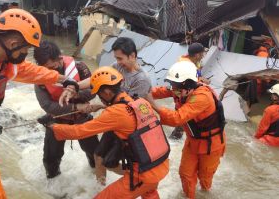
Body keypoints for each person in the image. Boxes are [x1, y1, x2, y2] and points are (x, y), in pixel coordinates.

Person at [0, 9, 67, 198]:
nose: (27, 53)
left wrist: (61, 78)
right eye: (26, 48)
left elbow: (29, 71)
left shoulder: (1, 58)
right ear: (13, 43)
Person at [51, 66, 169, 198]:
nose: (99, 98)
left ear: (107, 92)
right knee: (150, 193)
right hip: (160, 164)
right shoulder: (140, 102)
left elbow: (79, 131)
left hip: (144, 174)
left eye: (99, 94)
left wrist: (53, 126)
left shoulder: (115, 112)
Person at [59, 37, 152, 185]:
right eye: (116, 58)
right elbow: (97, 79)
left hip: (130, 128)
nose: (117, 62)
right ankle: (99, 187)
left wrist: (103, 108)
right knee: (98, 156)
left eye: (120, 58)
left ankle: (140, 178)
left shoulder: (142, 80)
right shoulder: (118, 66)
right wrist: (74, 86)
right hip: (115, 118)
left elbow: (131, 110)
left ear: (133, 56)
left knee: (110, 162)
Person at [150, 61, 226, 199]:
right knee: (185, 173)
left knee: (205, 178)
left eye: (175, 86)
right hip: (192, 141)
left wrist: (152, 104)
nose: (172, 88)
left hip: (211, 144)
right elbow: (159, 91)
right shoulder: (180, 89)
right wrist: (142, 93)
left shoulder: (202, 97)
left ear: (188, 85)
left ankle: (205, 194)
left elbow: (177, 118)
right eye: (172, 85)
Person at [33, 40, 100, 193]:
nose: (52, 71)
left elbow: (94, 89)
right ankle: (54, 189)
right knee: (51, 159)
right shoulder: (40, 79)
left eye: (53, 65)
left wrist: (77, 92)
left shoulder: (80, 68)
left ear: (59, 58)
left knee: (95, 154)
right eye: (47, 68)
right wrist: (76, 106)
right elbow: (47, 106)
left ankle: (96, 184)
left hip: (82, 119)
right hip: (56, 121)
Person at [170, 42, 210, 140]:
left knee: (185, 122)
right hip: (182, 97)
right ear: (197, 55)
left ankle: (177, 139)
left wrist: (201, 78)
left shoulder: (194, 61)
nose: (203, 56)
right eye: (202, 54)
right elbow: (187, 83)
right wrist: (201, 81)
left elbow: (196, 76)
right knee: (182, 122)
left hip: (189, 96)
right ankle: (173, 142)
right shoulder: (185, 65)